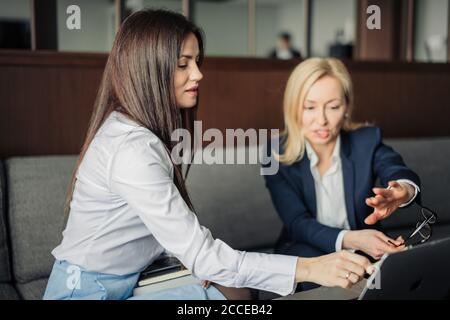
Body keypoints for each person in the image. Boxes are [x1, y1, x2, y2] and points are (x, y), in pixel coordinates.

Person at [43, 10, 373, 300]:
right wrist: (312, 268)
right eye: (183, 64)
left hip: (132, 278)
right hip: (87, 292)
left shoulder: (141, 133)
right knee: (232, 293)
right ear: (148, 70)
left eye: (196, 62)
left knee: (239, 289)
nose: (198, 74)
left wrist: (197, 266)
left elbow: (170, 238)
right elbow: (203, 253)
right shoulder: (131, 150)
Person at [263, 57, 420, 291]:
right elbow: (297, 223)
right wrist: (352, 239)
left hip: (364, 247)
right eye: (310, 107)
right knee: (318, 283)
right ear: (293, 107)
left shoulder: (366, 140)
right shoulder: (274, 153)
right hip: (304, 248)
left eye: (333, 107)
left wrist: (403, 190)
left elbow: (396, 169)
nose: (322, 120)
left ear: (347, 107)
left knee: (410, 277)